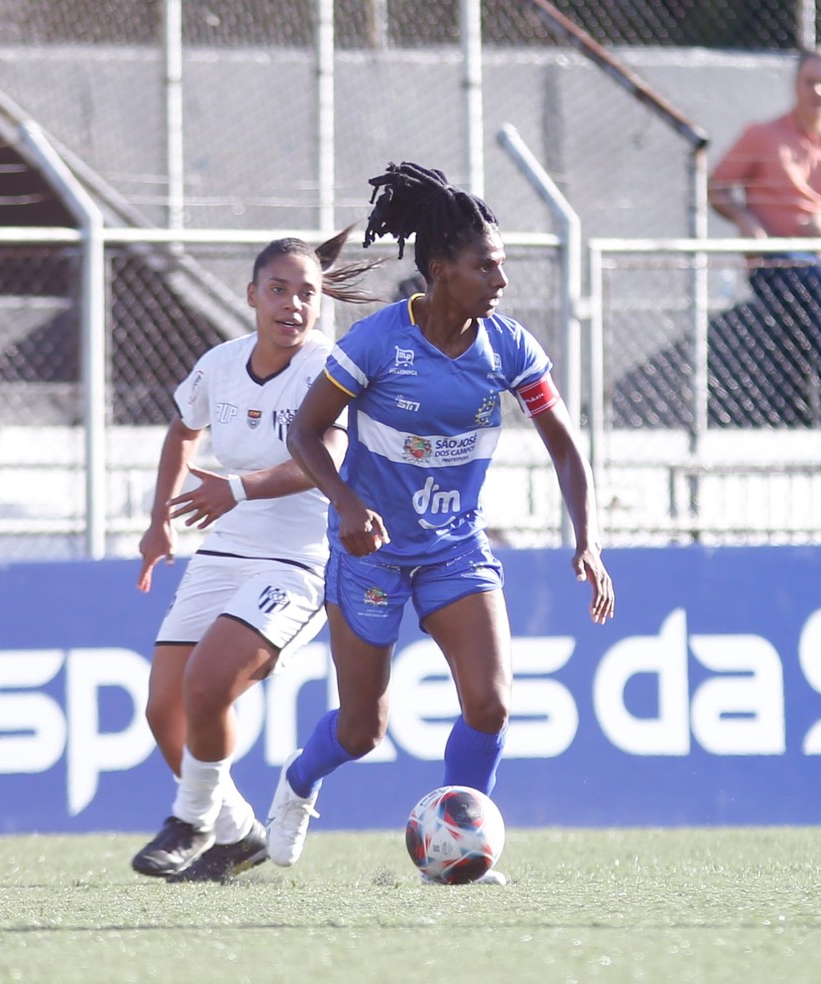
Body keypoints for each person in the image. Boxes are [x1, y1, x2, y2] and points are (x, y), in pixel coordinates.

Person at [265, 161, 615, 884]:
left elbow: (566, 447)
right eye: (486, 267)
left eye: (502, 266)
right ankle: (300, 782)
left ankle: (460, 843)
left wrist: (588, 539)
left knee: (491, 702)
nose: (501, 281)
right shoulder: (375, 345)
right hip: (371, 556)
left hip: (455, 549)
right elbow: (303, 434)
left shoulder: (508, 348)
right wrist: (350, 506)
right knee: (363, 730)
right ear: (439, 270)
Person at [131, 230, 377, 882]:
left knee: (207, 687)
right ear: (251, 295)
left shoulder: (329, 365)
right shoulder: (219, 364)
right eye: (279, 289)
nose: (293, 304)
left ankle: (191, 819)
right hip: (224, 548)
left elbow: (323, 453)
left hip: (296, 559)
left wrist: (234, 488)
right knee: (164, 709)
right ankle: (239, 834)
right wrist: (160, 522)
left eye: (308, 293)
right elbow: (184, 430)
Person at [708, 46, 821, 426]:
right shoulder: (762, 136)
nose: (819, 92)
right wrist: (744, 219)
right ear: (796, 86)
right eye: (811, 83)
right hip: (780, 263)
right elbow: (717, 188)